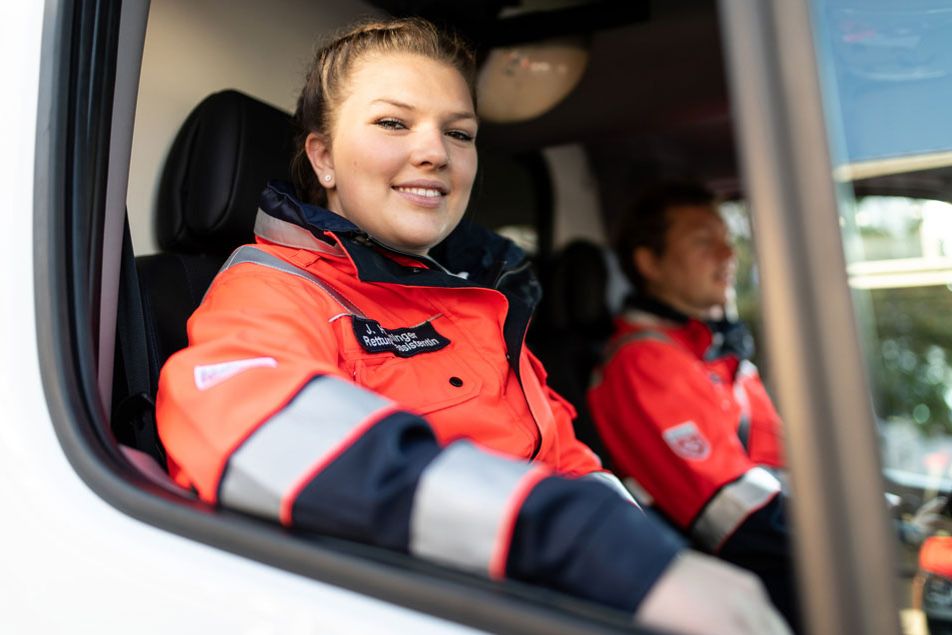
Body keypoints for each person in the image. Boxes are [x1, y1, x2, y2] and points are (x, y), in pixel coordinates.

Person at [155, 20, 790, 634]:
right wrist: (584, 543)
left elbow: (567, 461)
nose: (434, 152)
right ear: (322, 157)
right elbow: (257, 434)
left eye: (458, 134)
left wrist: (648, 562)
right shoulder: (275, 289)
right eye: (392, 123)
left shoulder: (480, 305)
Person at [587, 181, 799, 628]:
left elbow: (778, 459)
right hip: (728, 588)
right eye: (704, 242)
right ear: (650, 263)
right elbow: (736, 517)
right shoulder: (643, 361)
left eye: (727, 239)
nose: (727, 255)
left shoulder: (713, 352)